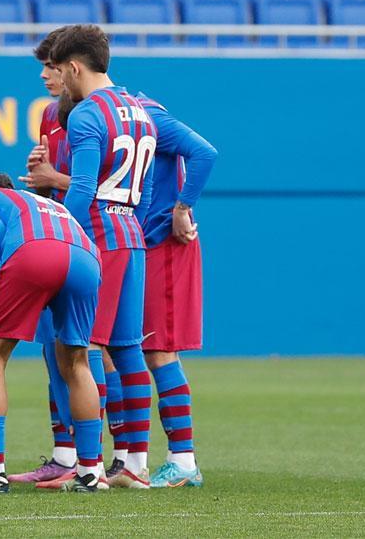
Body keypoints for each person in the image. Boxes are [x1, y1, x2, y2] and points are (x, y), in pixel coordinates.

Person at [50, 24, 157, 489]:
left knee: (83, 348)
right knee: (128, 349)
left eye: (60, 71)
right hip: (131, 236)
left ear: (75, 67)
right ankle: (134, 462)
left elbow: (82, 187)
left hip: (97, 239)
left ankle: (88, 466)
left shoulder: (86, 114)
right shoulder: (140, 112)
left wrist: (63, 234)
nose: (60, 81)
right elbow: (148, 191)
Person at [0, 174, 104, 494]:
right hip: (88, 259)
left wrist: (14, 258)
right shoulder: (43, 203)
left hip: (33, 252)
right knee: (77, 363)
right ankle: (90, 472)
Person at [9, 27, 110, 488]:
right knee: (54, 350)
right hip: (63, 239)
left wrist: (56, 179)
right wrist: (43, 178)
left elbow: (106, 186)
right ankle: (65, 453)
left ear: (71, 66)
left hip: (96, 239)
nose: (46, 76)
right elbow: (63, 179)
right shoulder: (52, 114)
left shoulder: (100, 112)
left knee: (95, 351)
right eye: (42, 68)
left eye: (51, 67)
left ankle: (118, 455)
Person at [135, 94, 217, 488]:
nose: (49, 78)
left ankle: (183, 460)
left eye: (54, 69)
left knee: (159, 348)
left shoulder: (147, 117)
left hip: (165, 245)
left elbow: (204, 152)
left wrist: (183, 208)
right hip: (144, 245)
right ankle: (136, 459)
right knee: (143, 348)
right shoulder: (117, 115)